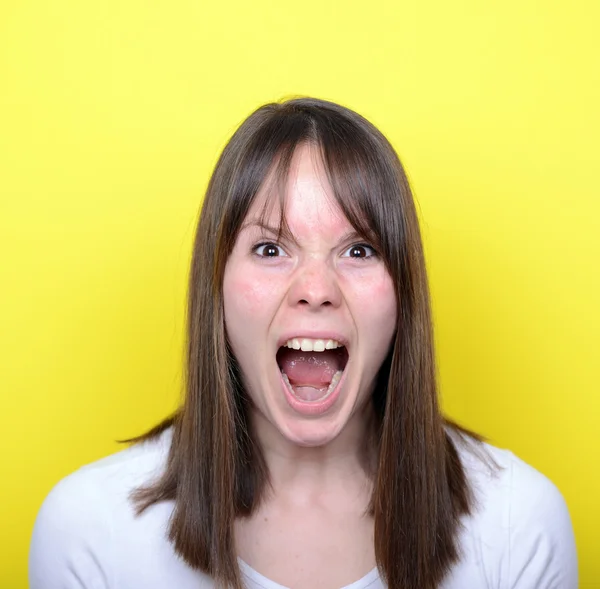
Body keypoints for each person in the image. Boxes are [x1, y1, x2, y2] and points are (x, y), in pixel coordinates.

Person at [29, 97, 578, 589]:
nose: (316, 291)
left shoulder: (517, 521)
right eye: (271, 250)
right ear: (215, 285)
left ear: (403, 291)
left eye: (359, 250)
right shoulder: (89, 532)